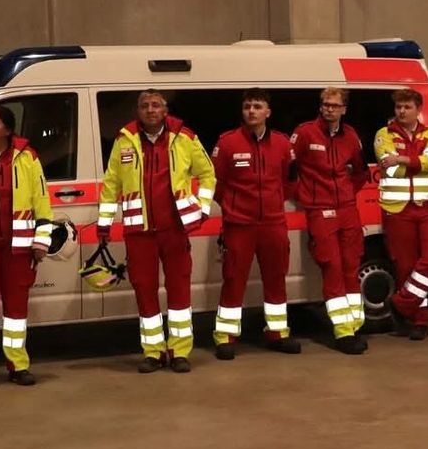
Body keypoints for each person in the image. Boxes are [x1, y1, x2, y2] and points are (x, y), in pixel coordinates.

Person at [97, 89, 216, 373]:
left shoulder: (184, 137)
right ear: (138, 110)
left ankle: (180, 351)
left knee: (179, 291)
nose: (150, 110)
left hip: (174, 228)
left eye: (155, 105)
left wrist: (202, 208)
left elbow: (208, 174)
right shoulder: (124, 139)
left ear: (165, 110)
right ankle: (153, 352)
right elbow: (111, 183)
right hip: (139, 231)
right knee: (144, 289)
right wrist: (104, 221)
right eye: (144, 105)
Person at [211, 89, 300, 359]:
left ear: (267, 112)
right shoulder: (227, 143)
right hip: (239, 224)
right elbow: (217, 183)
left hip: (273, 223)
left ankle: (277, 333)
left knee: (276, 278)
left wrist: (273, 202)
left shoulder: (284, 144)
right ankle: (225, 336)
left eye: (257, 106)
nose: (252, 110)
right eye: (248, 106)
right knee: (233, 279)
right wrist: (233, 207)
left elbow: (291, 182)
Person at [0, 106, 53, 388]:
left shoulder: (27, 158)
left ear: (8, 129)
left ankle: (18, 366)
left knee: (16, 310)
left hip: (18, 247)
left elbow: (41, 201)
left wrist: (41, 240)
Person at [291, 88, 369, 355]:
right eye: (325, 105)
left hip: (347, 210)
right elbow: (288, 170)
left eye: (334, 106)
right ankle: (343, 332)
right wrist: (304, 195)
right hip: (319, 210)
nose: (329, 109)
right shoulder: (304, 133)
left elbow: (360, 172)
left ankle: (355, 324)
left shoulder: (351, 137)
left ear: (344, 109)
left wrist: (348, 194)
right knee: (332, 268)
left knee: (351, 266)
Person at [374, 89, 428, 341]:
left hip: (426, 208)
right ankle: (418, 320)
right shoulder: (383, 135)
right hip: (397, 210)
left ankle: (402, 303)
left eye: (406, 107)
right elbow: (391, 171)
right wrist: (416, 162)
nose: (401, 111)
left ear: (418, 109)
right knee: (406, 267)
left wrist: (402, 158)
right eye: (398, 107)